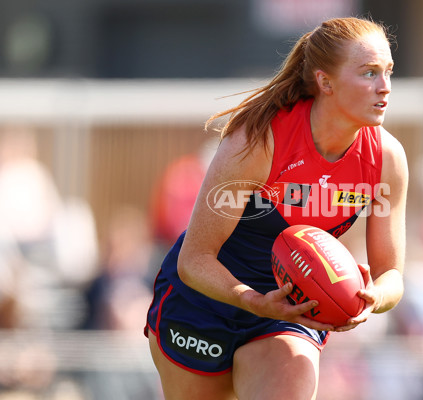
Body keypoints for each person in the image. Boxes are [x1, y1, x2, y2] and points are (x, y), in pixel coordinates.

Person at [145, 16, 408, 400]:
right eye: (369, 73)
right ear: (325, 81)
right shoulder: (259, 141)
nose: (384, 87)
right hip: (204, 305)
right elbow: (194, 260)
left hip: (291, 314)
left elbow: (392, 276)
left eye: (388, 72)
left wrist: (372, 298)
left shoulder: (386, 158)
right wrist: (251, 300)